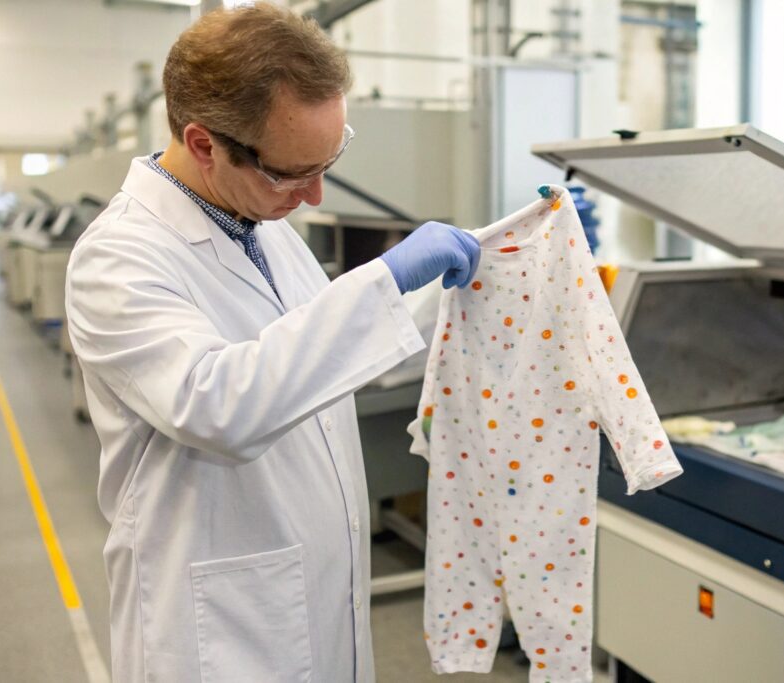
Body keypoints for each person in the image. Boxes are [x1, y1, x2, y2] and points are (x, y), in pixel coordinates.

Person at [65, 4, 479, 681]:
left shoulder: (263, 225)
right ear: (204, 144)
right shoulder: (118, 257)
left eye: (329, 160)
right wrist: (384, 280)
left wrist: (450, 293)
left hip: (313, 591)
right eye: (291, 172)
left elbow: (318, 356)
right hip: (221, 629)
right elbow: (218, 403)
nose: (313, 195)